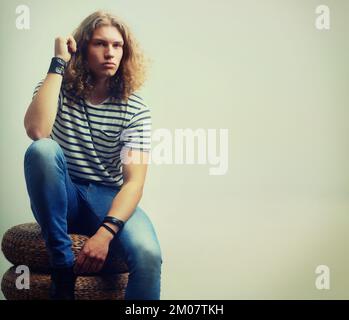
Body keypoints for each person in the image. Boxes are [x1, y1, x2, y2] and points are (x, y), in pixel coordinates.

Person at [23, 10, 162, 300]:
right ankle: (62, 268)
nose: (110, 52)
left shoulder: (135, 108)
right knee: (42, 150)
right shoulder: (57, 85)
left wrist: (105, 233)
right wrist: (59, 61)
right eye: (100, 44)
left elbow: (134, 182)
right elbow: (37, 130)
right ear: (83, 47)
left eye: (117, 45)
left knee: (148, 254)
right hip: (66, 195)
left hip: (107, 197)